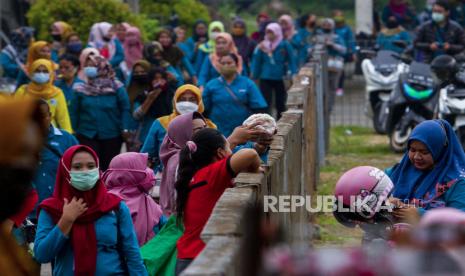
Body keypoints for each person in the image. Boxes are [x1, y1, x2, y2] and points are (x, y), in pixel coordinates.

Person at [34, 145, 148, 275]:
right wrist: (66, 220)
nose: (85, 171)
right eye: (77, 167)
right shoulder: (52, 209)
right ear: (65, 170)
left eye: (90, 166)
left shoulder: (114, 206)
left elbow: (132, 254)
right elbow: (42, 255)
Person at [174, 128, 261, 274]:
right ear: (220, 153)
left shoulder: (197, 177)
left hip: (189, 257)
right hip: (202, 259)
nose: (231, 151)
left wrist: (231, 142)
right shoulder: (210, 176)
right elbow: (250, 154)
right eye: (228, 147)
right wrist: (257, 168)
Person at [387, 120, 465, 224]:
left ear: (439, 150)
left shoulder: (456, 182)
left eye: (424, 152)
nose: (416, 157)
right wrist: (386, 200)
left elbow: (460, 222)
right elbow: (372, 185)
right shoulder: (400, 171)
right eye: (412, 150)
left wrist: (422, 215)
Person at [0, 99, 44, 275]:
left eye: (33, 154)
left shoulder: (8, 249)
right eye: (21, 151)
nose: (27, 165)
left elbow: (31, 194)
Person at [70, 54, 131, 171]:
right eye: (86, 66)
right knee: (90, 166)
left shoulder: (116, 86)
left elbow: (125, 108)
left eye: (92, 65)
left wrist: (125, 127)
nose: (88, 68)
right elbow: (74, 112)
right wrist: (73, 131)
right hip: (86, 133)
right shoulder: (80, 88)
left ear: (102, 67)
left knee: (109, 167)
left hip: (112, 134)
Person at [141, 84, 216, 173]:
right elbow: (146, 155)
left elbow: (216, 155)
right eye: (182, 100)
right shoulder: (161, 123)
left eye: (192, 100)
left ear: (199, 103)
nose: (187, 104)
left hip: (199, 176)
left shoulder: (209, 126)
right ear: (175, 102)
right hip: (166, 175)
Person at [103, 152, 164, 246]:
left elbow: (165, 224)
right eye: (143, 169)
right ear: (129, 175)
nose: (149, 171)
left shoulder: (145, 198)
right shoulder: (112, 203)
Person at [203, 53, 267, 136]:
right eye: (223, 63)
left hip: (243, 131)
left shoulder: (247, 83)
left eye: (229, 63)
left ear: (236, 65)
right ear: (218, 66)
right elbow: (204, 109)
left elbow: (259, 107)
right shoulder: (211, 85)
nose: (226, 66)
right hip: (217, 132)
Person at [33, 99, 78, 206]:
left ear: (50, 116)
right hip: (29, 212)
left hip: (61, 208)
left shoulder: (67, 139)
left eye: (42, 116)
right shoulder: (17, 142)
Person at [252, 23, 297, 118]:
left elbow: (292, 59)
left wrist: (294, 72)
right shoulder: (262, 46)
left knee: (280, 101)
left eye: (271, 32)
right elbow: (257, 61)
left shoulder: (284, 44)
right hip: (265, 77)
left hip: (280, 77)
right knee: (265, 101)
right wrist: (255, 76)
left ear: (277, 32)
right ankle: (267, 120)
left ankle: (281, 120)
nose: (269, 35)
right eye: (267, 32)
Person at [15, 58, 73, 133]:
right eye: (37, 71)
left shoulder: (57, 93)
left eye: (45, 71)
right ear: (32, 72)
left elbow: (63, 118)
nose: (41, 73)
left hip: (50, 134)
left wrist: (69, 137)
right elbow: (15, 115)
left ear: (51, 73)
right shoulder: (23, 91)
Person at [132, 66, 177, 145]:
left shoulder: (171, 94)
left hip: (167, 138)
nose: (159, 81)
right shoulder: (143, 95)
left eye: (161, 78)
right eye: (155, 79)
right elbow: (136, 116)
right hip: (146, 138)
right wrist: (150, 99)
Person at [315, 19, 346, 105]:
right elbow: (311, 49)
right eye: (324, 25)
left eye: (328, 25)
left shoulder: (337, 37)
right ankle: (321, 105)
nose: (326, 27)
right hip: (320, 66)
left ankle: (330, 106)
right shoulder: (317, 36)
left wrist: (333, 45)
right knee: (321, 87)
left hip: (334, 66)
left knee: (332, 87)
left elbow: (344, 50)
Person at [333, 10, 357, 96]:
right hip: (333, 53)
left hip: (343, 53)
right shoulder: (332, 28)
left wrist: (353, 52)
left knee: (341, 70)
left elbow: (351, 41)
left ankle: (340, 87)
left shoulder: (347, 28)